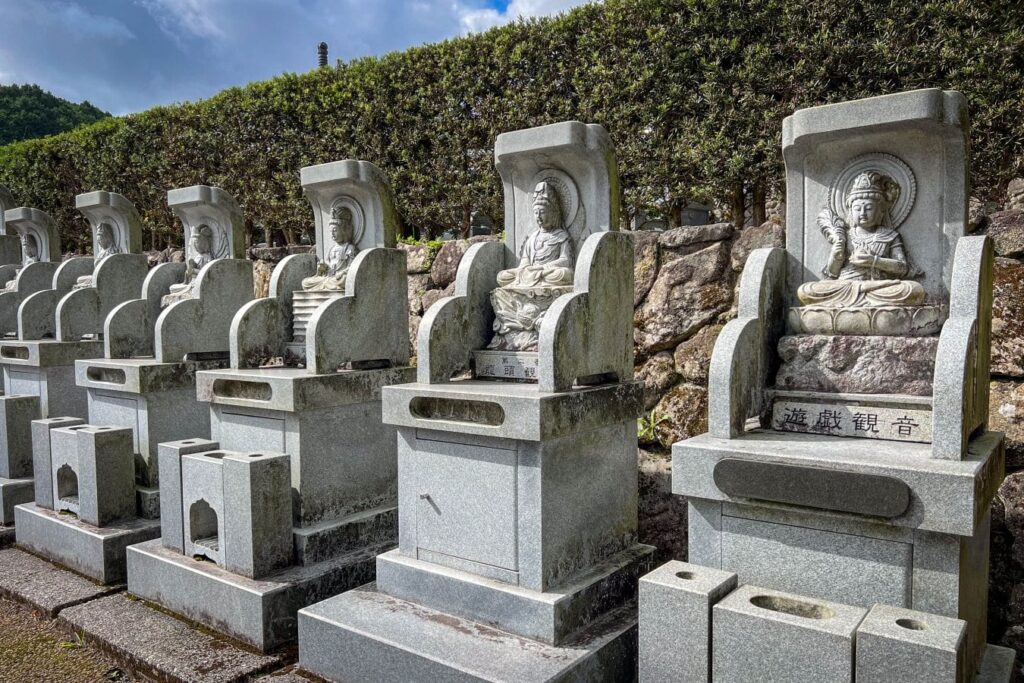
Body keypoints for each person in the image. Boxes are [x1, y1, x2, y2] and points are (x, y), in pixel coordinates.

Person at [797, 170, 924, 308]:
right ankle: (862, 301)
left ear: (881, 210)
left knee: (913, 289)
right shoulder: (845, 236)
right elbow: (833, 273)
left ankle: (857, 302)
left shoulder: (890, 236)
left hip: (879, 286)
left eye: (869, 208)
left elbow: (902, 268)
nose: (862, 213)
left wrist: (874, 261)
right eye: (857, 208)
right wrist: (835, 256)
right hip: (847, 286)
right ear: (850, 211)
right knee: (806, 291)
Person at [495, 180, 574, 289]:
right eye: (536, 213)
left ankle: (532, 282)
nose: (538, 217)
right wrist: (527, 268)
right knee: (502, 276)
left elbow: (566, 260)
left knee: (564, 274)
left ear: (552, 213)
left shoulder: (562, 236)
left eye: (542, 212)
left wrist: (542, 268)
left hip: (547, 272)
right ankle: (533, 282)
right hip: (530, 273)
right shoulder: (532, 238)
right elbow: (524, 262)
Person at [301, 206, 358, 292]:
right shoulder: (332, 248)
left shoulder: (349, 248)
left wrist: (342, 273)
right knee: (305, 282)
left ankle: (327, 285)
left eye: (335, 230)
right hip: (329, 278)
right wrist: (322, 268)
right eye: (331, 231)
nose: (332, 234)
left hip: (339, 277)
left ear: (344, 231)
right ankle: (327, 285)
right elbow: (328, 265)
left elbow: (352, 267)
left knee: (344, 279)